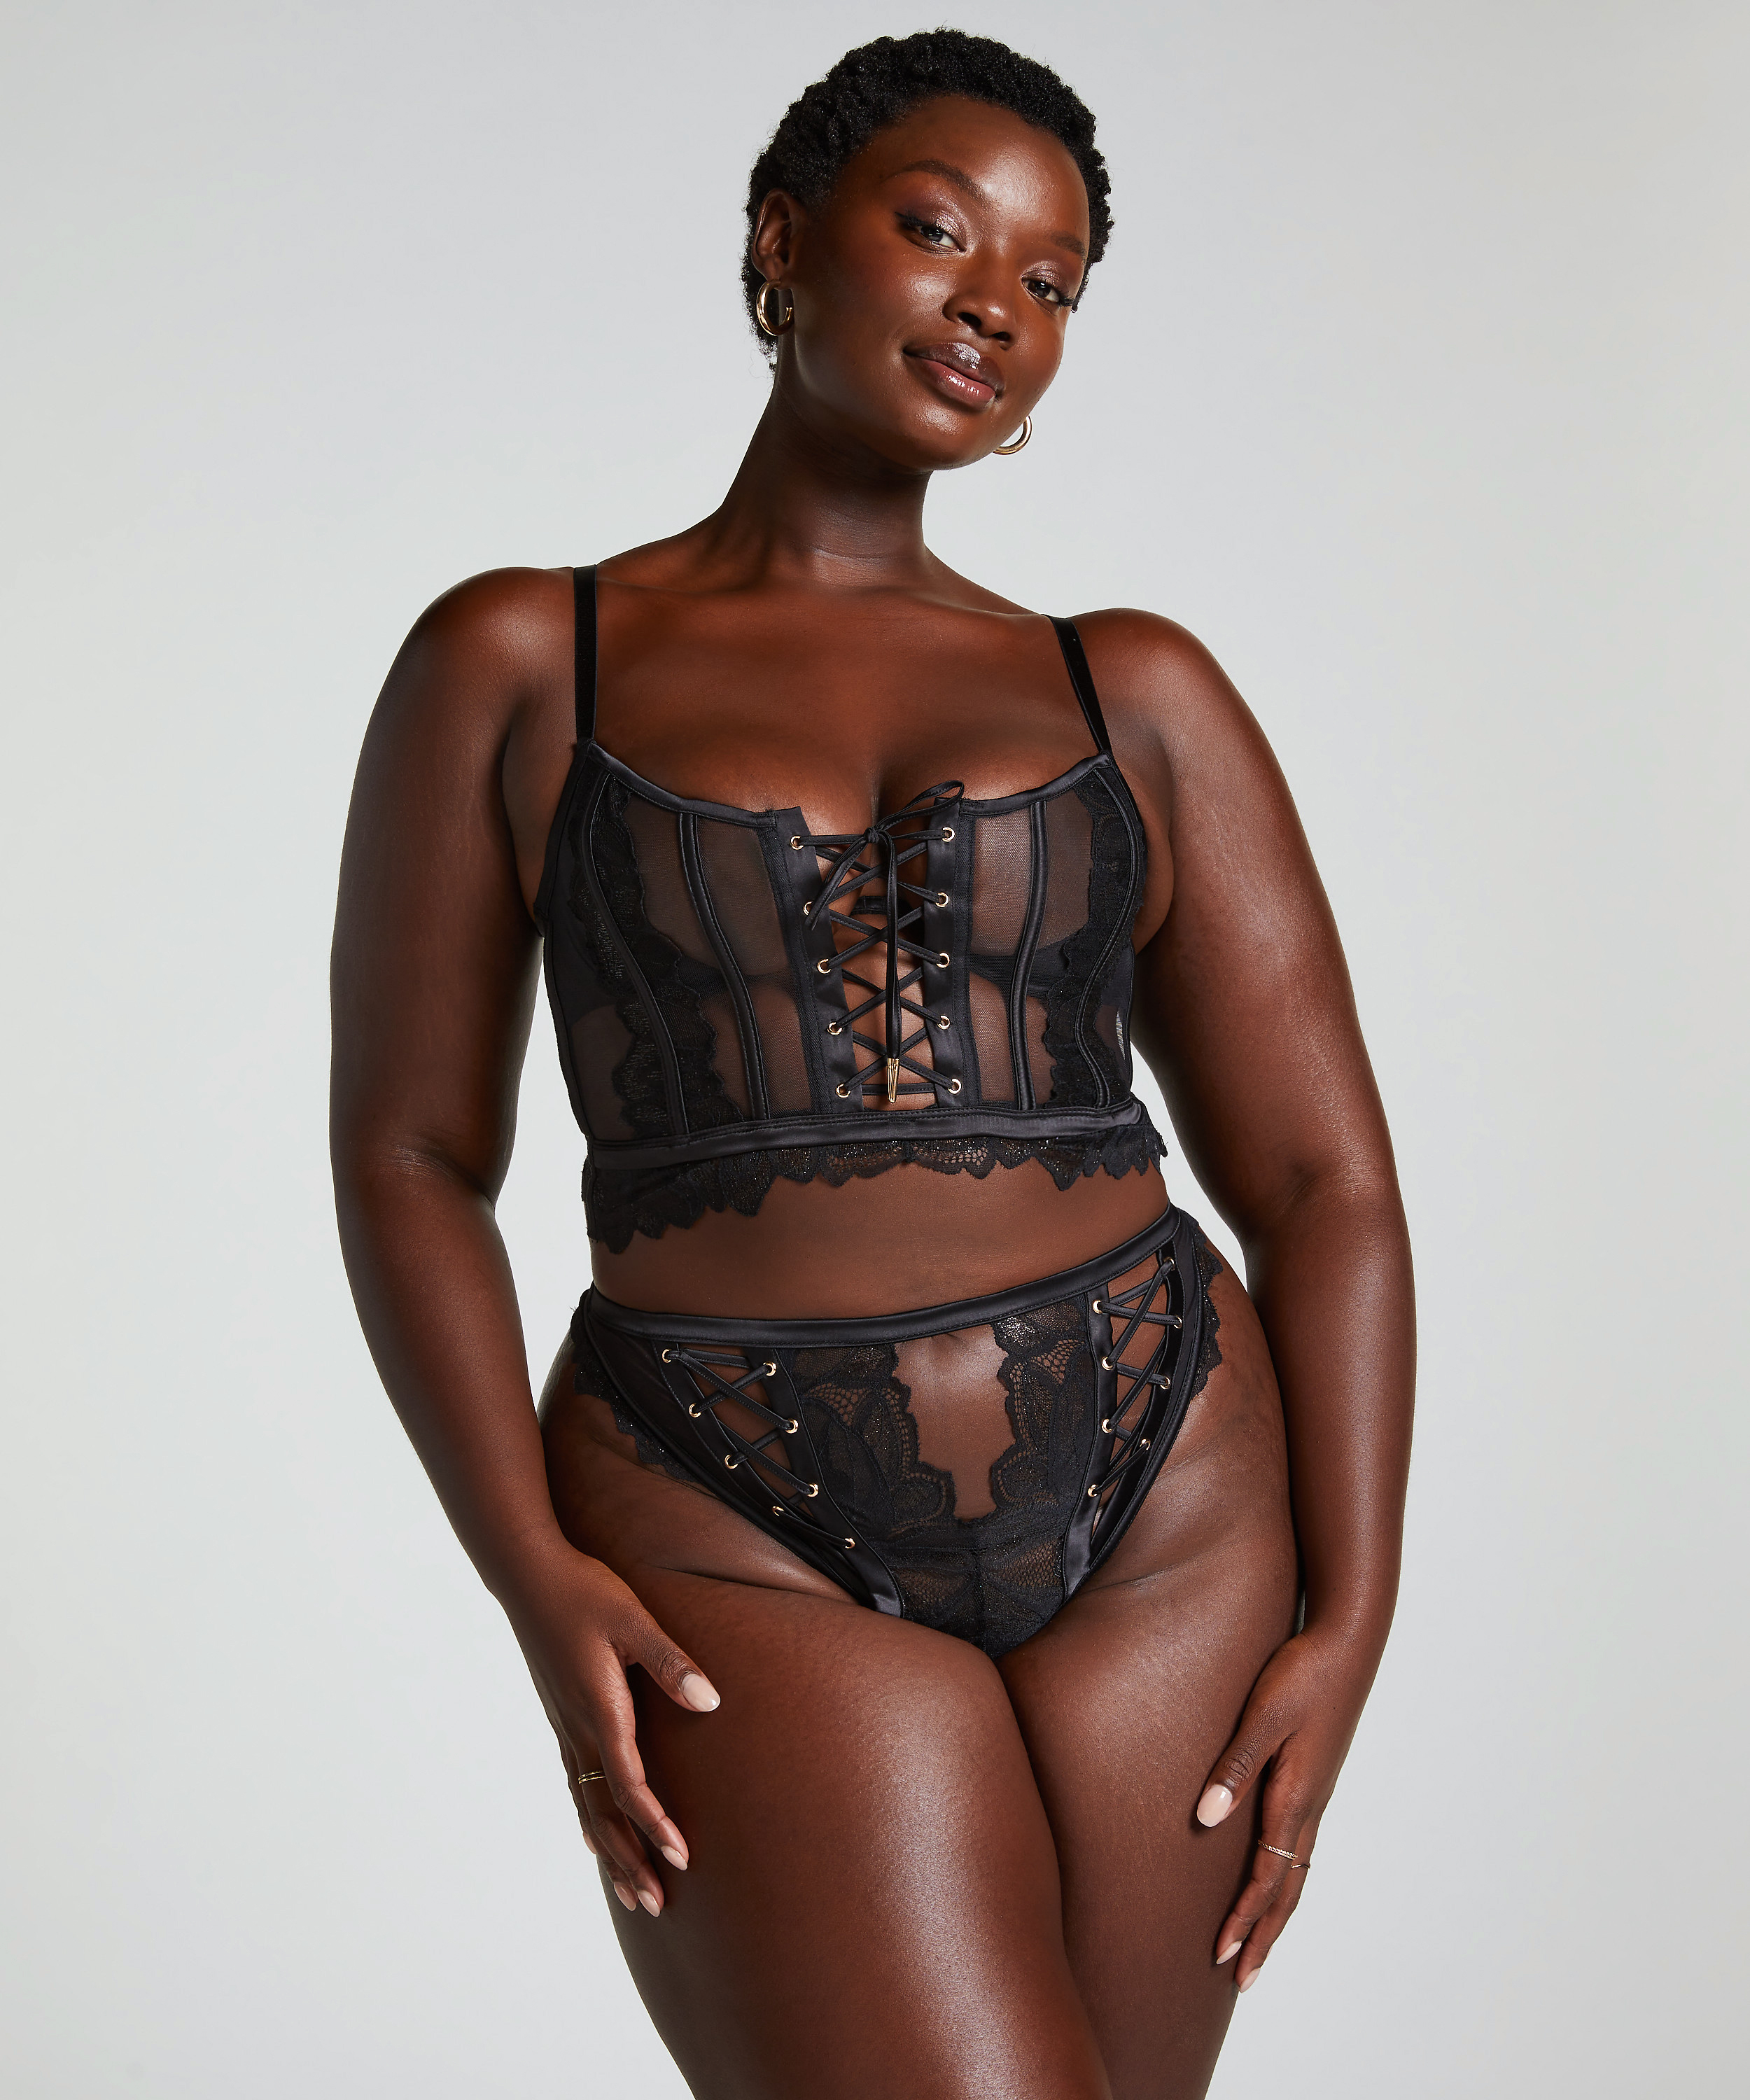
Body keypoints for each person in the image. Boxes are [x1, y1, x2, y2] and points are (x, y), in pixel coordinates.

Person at [330, 29, 1413, 2099]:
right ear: (782, 242)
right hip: (717, 1499)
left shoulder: (1130, 685)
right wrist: (528, 1575)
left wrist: (1350, 1616)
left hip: (1167, 1487)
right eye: (938, 230)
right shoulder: (521, 658)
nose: (995, 305)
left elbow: (1321, 1187)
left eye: (1052, 282)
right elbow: (407, 1156)